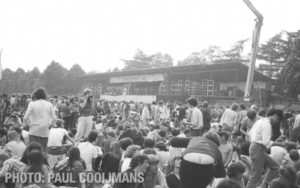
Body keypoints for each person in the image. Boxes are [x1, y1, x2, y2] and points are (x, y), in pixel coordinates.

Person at [246, 108, 284, 188]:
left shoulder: (260, 121)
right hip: (258, 148)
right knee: (255, 176)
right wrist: (281, 144)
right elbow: (266, 142)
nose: (277, 122)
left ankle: (263, 185)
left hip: (255, 147)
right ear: (275, 116)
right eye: (278, 119)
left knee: (275, 166)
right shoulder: (266, 124)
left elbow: (250, 134)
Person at [23, 87, 57, 151]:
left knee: (33, 150)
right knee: (43, 150)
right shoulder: (49, 104)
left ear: (35, 95)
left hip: (34, 130)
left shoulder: (32, 103)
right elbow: (54, 119)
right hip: (45, 131)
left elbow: (25, 118)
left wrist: (27, 126)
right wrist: (49, 127)